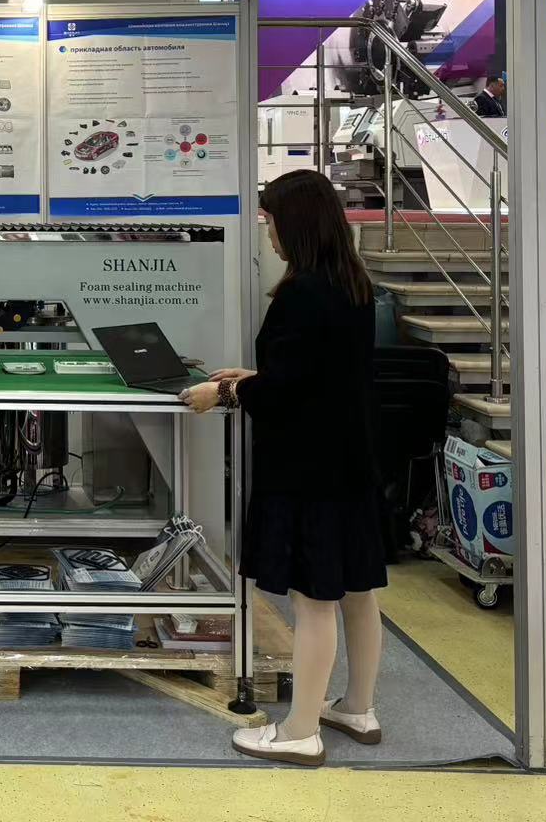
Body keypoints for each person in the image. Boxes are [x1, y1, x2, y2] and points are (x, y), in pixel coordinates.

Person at [186, 169, 386, 767]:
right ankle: (358, 707)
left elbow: (288, 395)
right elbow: (320, 375)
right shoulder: (352, 284)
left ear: (294, 225)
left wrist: (223, 394)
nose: (268, 235)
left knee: (313, 599)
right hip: (351, 464)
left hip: (307, 471)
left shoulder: (301, 293)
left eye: (271, 222)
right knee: (358, 591)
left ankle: (300, 730)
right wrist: (256, 377)